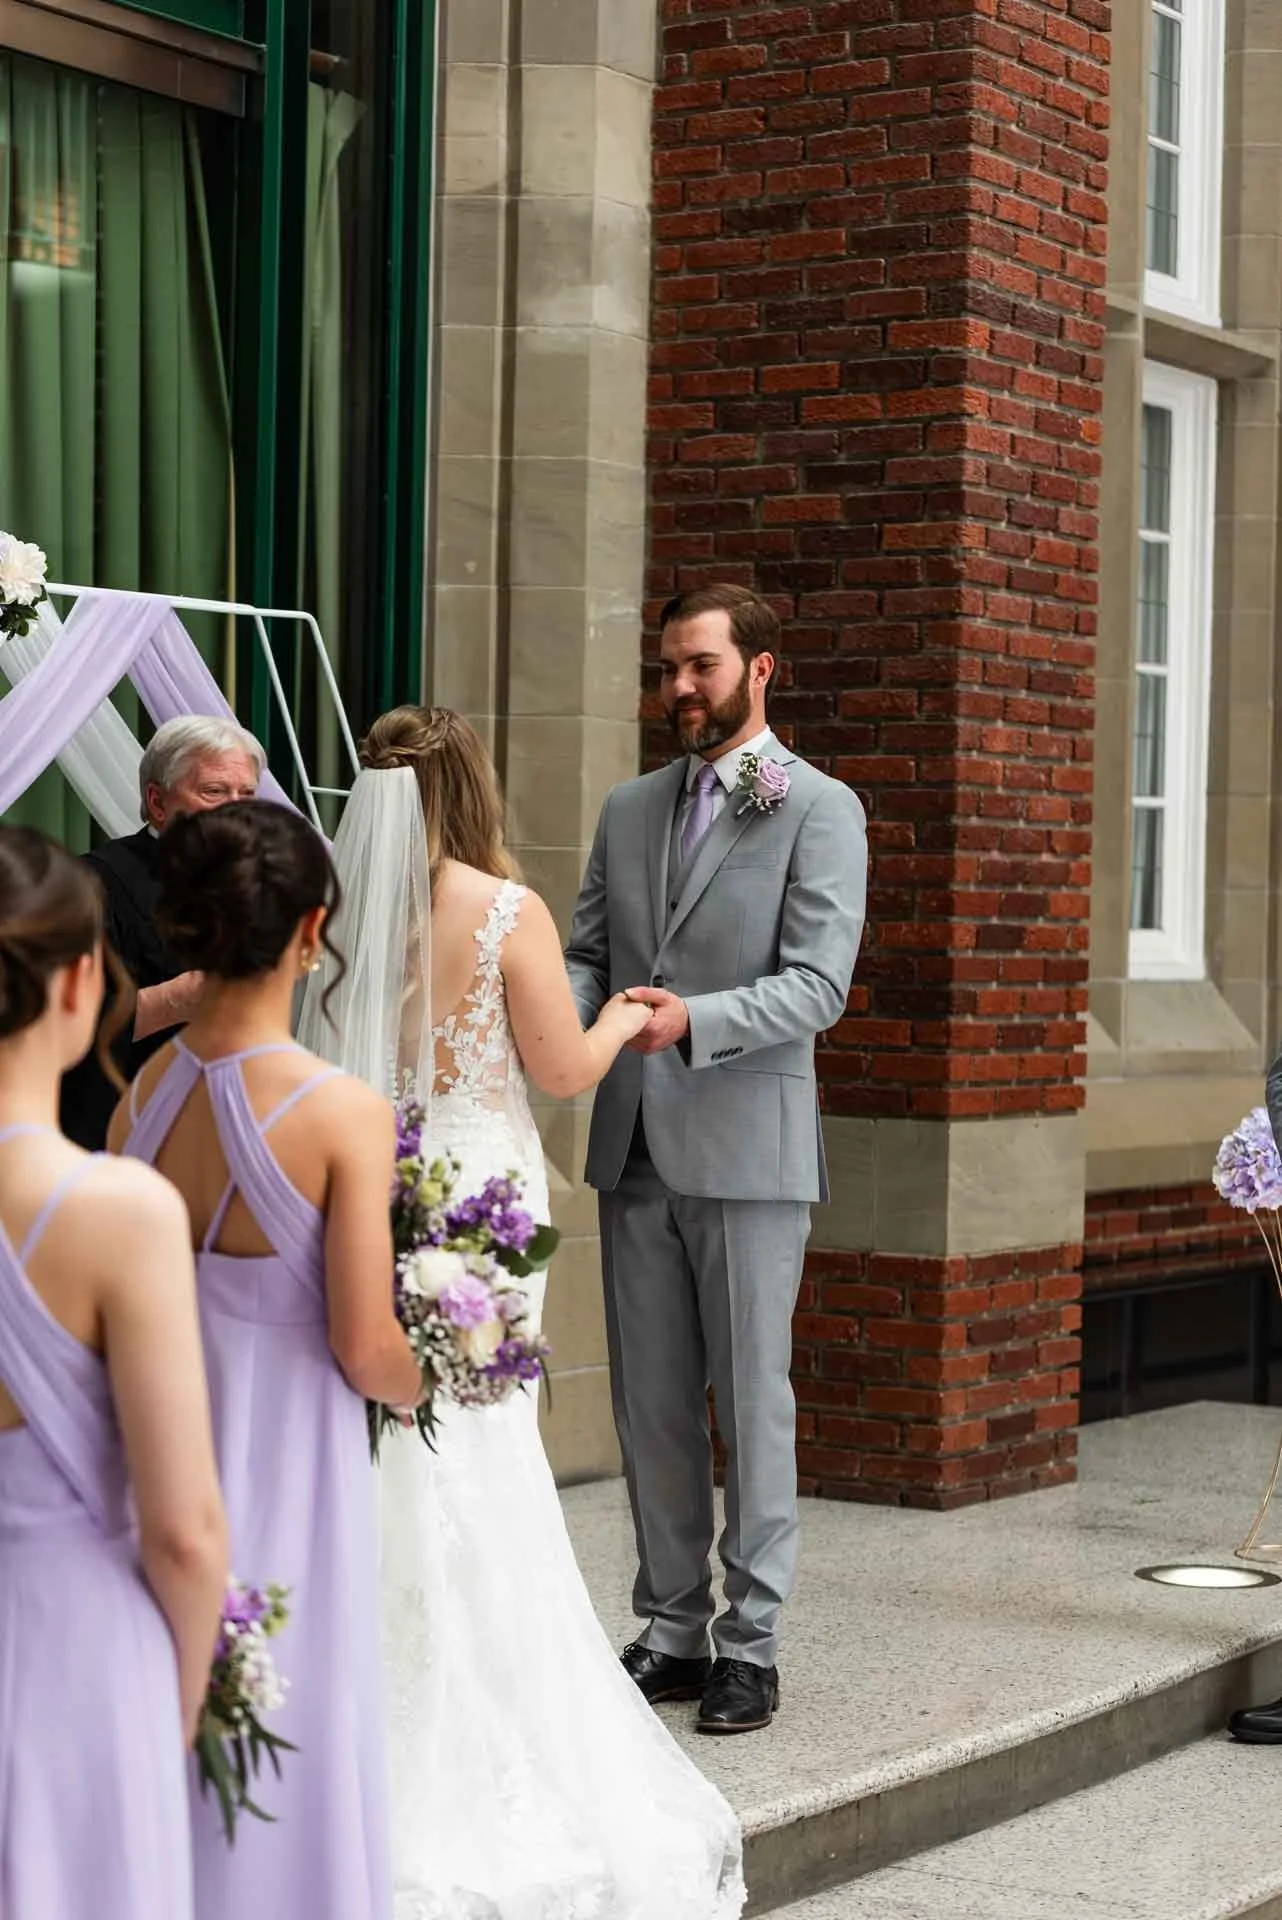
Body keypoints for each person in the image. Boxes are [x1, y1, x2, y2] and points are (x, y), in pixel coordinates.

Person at [297, 706, 747, 1920]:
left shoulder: (335, 907)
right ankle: (484, 1713)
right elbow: (557, 1069)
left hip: (378, 1185)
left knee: (388, 1441)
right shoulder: (504, 908)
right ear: (471, 785)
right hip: (483, 1202)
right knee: (484, 1449)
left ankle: (361, 1703)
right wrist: (620, 1016)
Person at [109, 801, 421, 1920]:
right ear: (312, 931)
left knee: (183, 1699)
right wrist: (441, 1370)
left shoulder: (137, 1102)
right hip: (290, 1464)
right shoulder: (341, 1111)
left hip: (158, 1463)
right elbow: (363, 1341)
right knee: (297, 1699)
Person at [565, 583, 867, 1735]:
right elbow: (589, 952)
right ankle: (672, 1628)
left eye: (698, 665)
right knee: (650, 1408)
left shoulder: (819, 808)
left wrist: (689, 1020)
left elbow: (817, 986)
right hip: (632, 1141)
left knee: (752, 1401)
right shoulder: (628, 805)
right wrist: (569, 1023)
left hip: (749, 1151)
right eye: (666, 668)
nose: (677, 688)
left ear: (760, 671)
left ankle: (753, 1644)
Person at [0, 823, 227, 1920]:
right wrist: (180, 1710)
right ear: (84, 979)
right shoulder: (116, 1210)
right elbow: (184, 1530)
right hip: (76, 1650)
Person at [60, 715, 264, 1150]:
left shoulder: (261, 880)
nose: (236, 809)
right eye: (214, 791)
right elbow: (65, 1019)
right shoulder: (94, 884)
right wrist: (175, 1000)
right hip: (122, 1129)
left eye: (246, 794)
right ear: (157, 803)